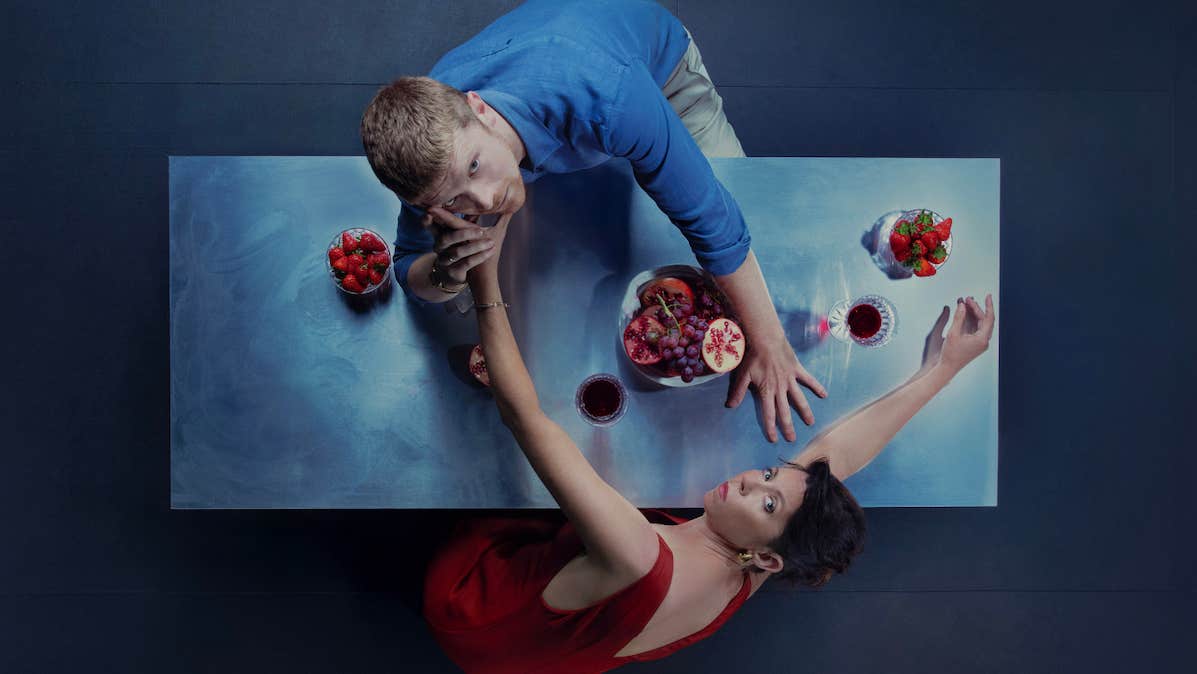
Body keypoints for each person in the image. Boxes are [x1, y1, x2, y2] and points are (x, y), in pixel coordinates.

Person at [421, 210, 996, 673]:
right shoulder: (766, 558)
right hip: (545, 642)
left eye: (766, 500)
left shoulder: (641, 556)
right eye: (771, 474)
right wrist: (943, 370)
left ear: (767, 555)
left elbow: (528, 421)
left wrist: (485, 275)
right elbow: (835, 458)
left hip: (473, 607)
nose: (752, 479)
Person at [360, 0, 827, 445]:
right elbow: (408, 269)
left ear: (477, 108)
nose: (484, 200)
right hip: (565, 73)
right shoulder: (431, 156)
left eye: (476, 167)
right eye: (453, 198)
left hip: (654, 77)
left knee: (743, 201)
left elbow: (712, 218)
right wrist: (448, 272)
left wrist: (769, 341)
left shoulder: (608, 95)